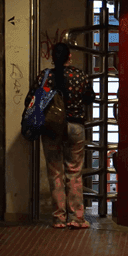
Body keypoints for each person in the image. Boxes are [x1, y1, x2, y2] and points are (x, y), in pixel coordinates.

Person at [24, 42, 96, 229]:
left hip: (51, 128)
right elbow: (90, 97)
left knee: (55, 172)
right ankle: (77, 217)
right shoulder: (79, 75)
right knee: (74, 172)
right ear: (69, 57)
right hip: (75, 127)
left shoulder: (45, 76)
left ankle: (59, 218)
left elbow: (29, 99)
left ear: (52, 58)